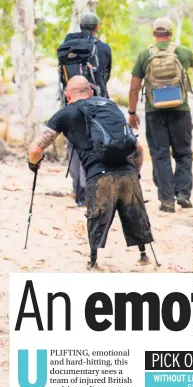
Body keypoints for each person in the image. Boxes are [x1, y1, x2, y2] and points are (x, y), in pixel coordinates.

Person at [28, 76, 154, 269]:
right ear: (91, 92)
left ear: (67, 95)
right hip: (128, 171)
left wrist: (33, 164)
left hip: (100, 175)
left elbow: (36, 149)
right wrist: (135, 173)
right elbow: (138, 147)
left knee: (97, 218)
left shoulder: (66, 113)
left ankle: (93, 261)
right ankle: (144, 255)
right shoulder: (110, 106)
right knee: (135, 217)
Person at [129, 18, 193, 213]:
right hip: (180, 110)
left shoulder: (145, 55)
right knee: (183, 153)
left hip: (154, 111)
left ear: (154, 34)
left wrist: (132, 112)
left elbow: (134, 88)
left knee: (160, 155)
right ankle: (183, 194)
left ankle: (167, 200)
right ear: (170, 33)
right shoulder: (182, 52)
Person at [60, 12, 112, 206]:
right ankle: (94, 189)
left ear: (80, 26)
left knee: (73, 146)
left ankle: (78, 191)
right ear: (96, 27)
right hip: (96, 103)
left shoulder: (67, 47)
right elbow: (106, 76)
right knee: (95, 145)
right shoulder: (104, 48)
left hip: (71, 104)